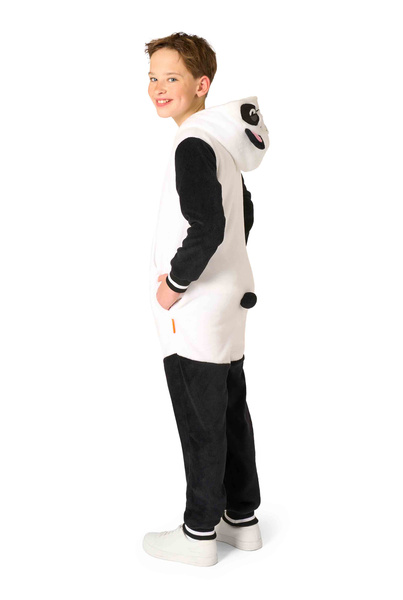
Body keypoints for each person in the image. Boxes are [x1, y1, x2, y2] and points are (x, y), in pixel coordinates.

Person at [142, 32, 270, 567]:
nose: (158, 87)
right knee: (230, 409)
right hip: (231, 297)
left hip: (198, 306)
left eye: (171, 77)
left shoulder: (192, 142)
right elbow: (245, 215)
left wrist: (175, 283)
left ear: (202, 84)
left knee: (201, 419)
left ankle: (199, 533)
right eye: (152, 77)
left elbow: (209, 227)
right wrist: (225, 269)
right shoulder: (223, 145)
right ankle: (241, 520)